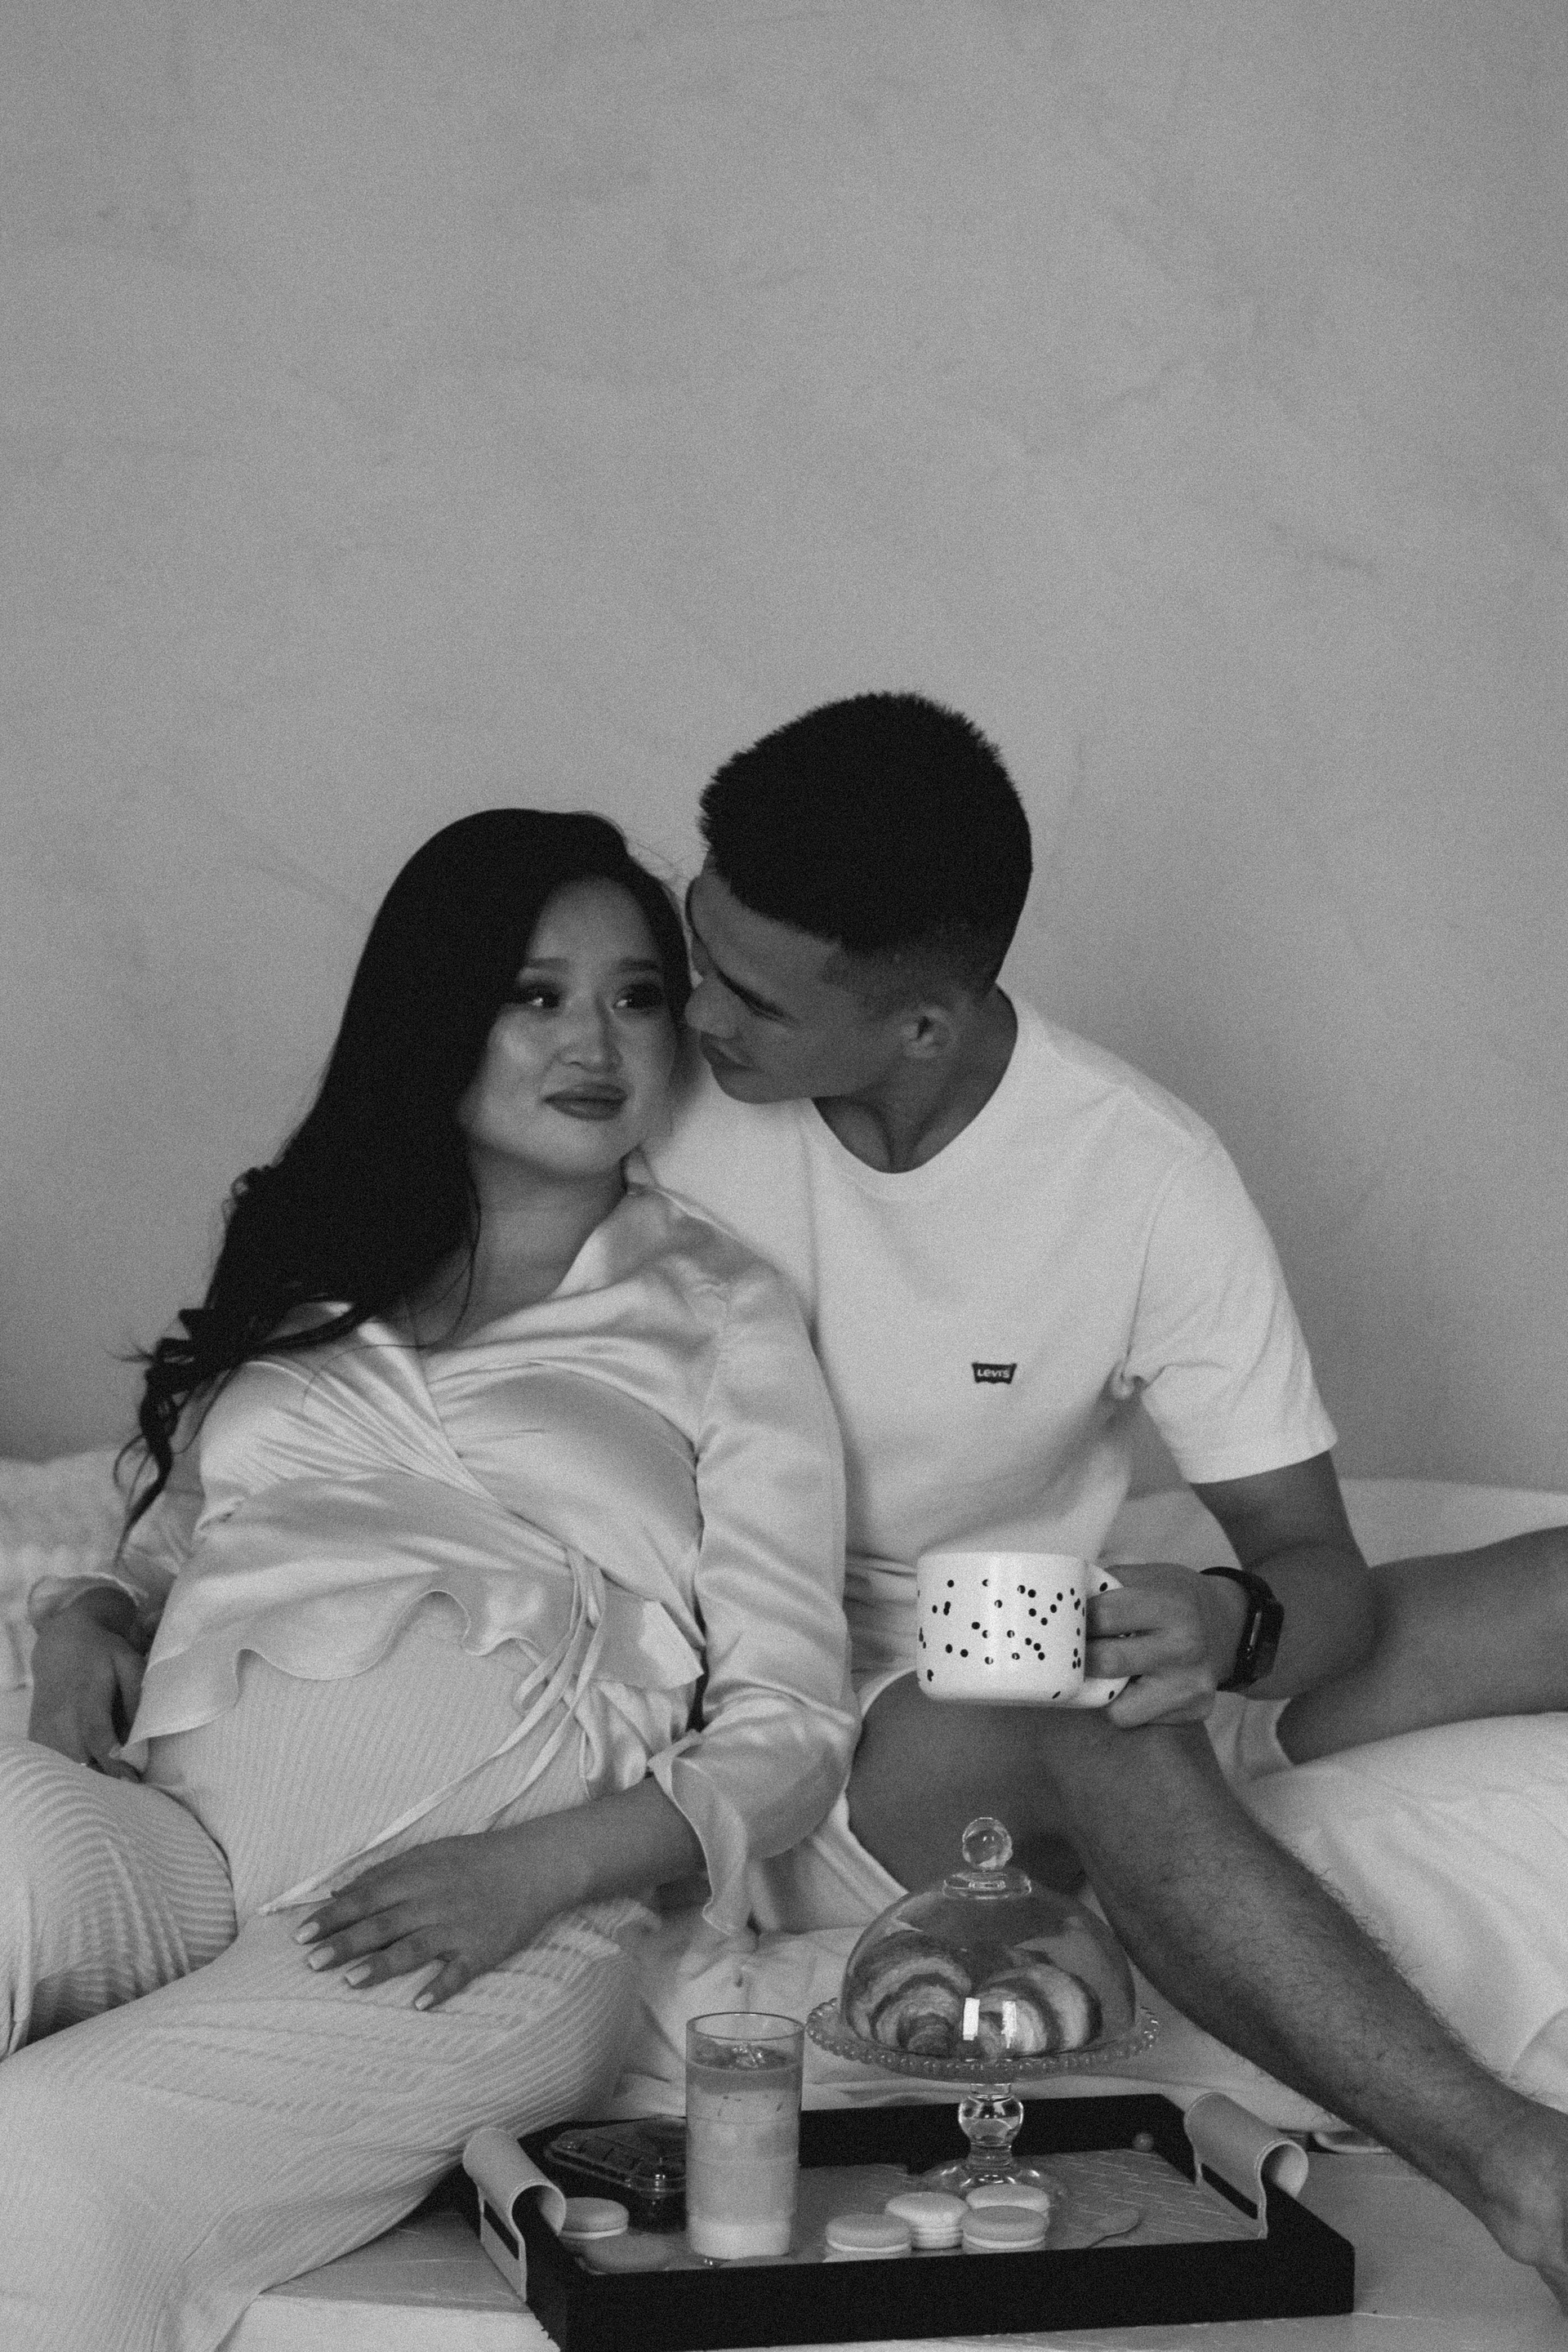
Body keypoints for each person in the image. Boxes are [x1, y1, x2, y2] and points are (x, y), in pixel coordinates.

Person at [641, 689, 1568, 2301]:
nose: (697, 1012)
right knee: (1091, 1721)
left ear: (924, 1026)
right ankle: (1525, 2174)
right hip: (830, 1712)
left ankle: (1156, 1759)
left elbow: (1314, 1571)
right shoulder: (651, 1113)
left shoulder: (1137, 1169)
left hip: (1065, 1640)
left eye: (756, 999)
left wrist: (1226, 1620)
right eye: (698, 946)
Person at [0, 810, 855, 2352]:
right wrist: (89, 1615)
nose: (596, 1042)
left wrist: (534, 1873)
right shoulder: (316, 1260)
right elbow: (188, 1522)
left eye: (637, 995)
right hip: (184, 1853)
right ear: (436, 1012)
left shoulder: (721, 1312)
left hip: (490, 1922)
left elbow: (793, 1727)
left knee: (42, 2155)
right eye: (536, 995)